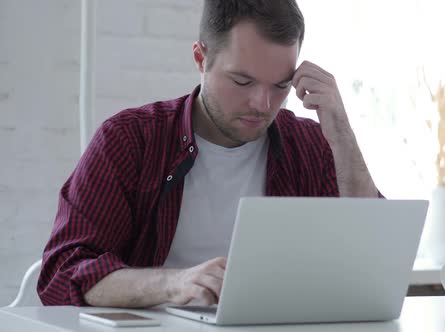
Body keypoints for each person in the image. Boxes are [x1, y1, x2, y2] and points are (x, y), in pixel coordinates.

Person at [38, 0, 382, 307]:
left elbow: (375, 261)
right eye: (242, 82)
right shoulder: (130, 141)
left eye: (280, 85)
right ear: (201, 59)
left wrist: (341, 133)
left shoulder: (311, 146)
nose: (262, 104)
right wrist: (173, 284)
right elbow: (62, 272)